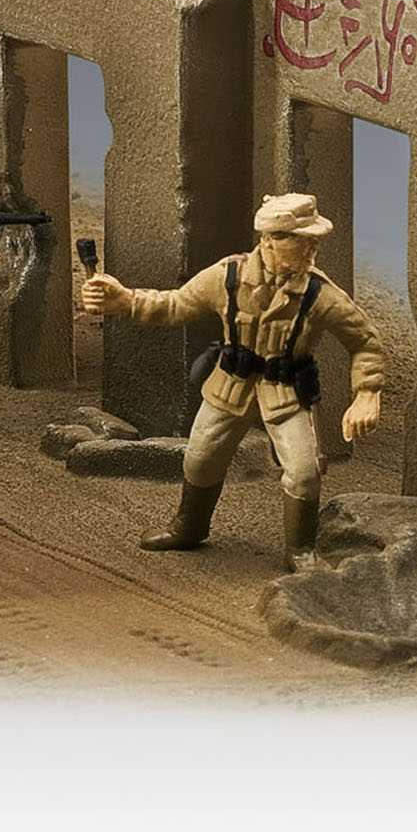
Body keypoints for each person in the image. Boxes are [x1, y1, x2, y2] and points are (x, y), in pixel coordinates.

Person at [79, 192, 385, 569]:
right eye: (301, 240)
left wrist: (367, 392)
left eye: (314, 240)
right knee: (200, 459)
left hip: (286, 391)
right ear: (269, 239)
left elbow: (365, 341)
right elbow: (175, 305)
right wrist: (125, 300)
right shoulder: (228, 277)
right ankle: (189, 527)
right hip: (231, 384)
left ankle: (301, 550)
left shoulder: (318, 294)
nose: (312, 248)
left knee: (304, 474)